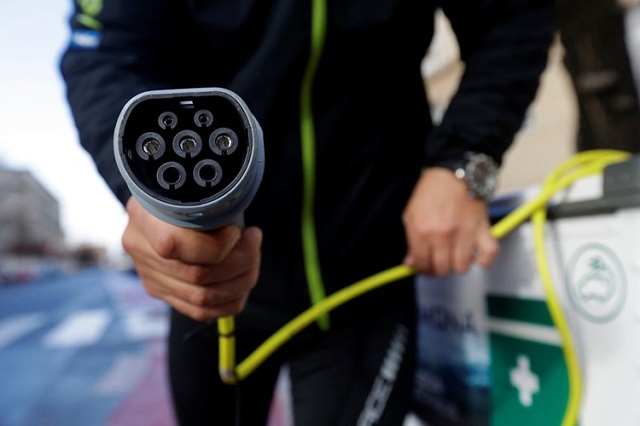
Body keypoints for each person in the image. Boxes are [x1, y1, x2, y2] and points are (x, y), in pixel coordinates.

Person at [59, 1, 555, 425]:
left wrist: (461, 162)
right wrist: (144, 192)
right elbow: (103, 51)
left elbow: (513, 16)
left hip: (365, 276)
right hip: (212, 282)